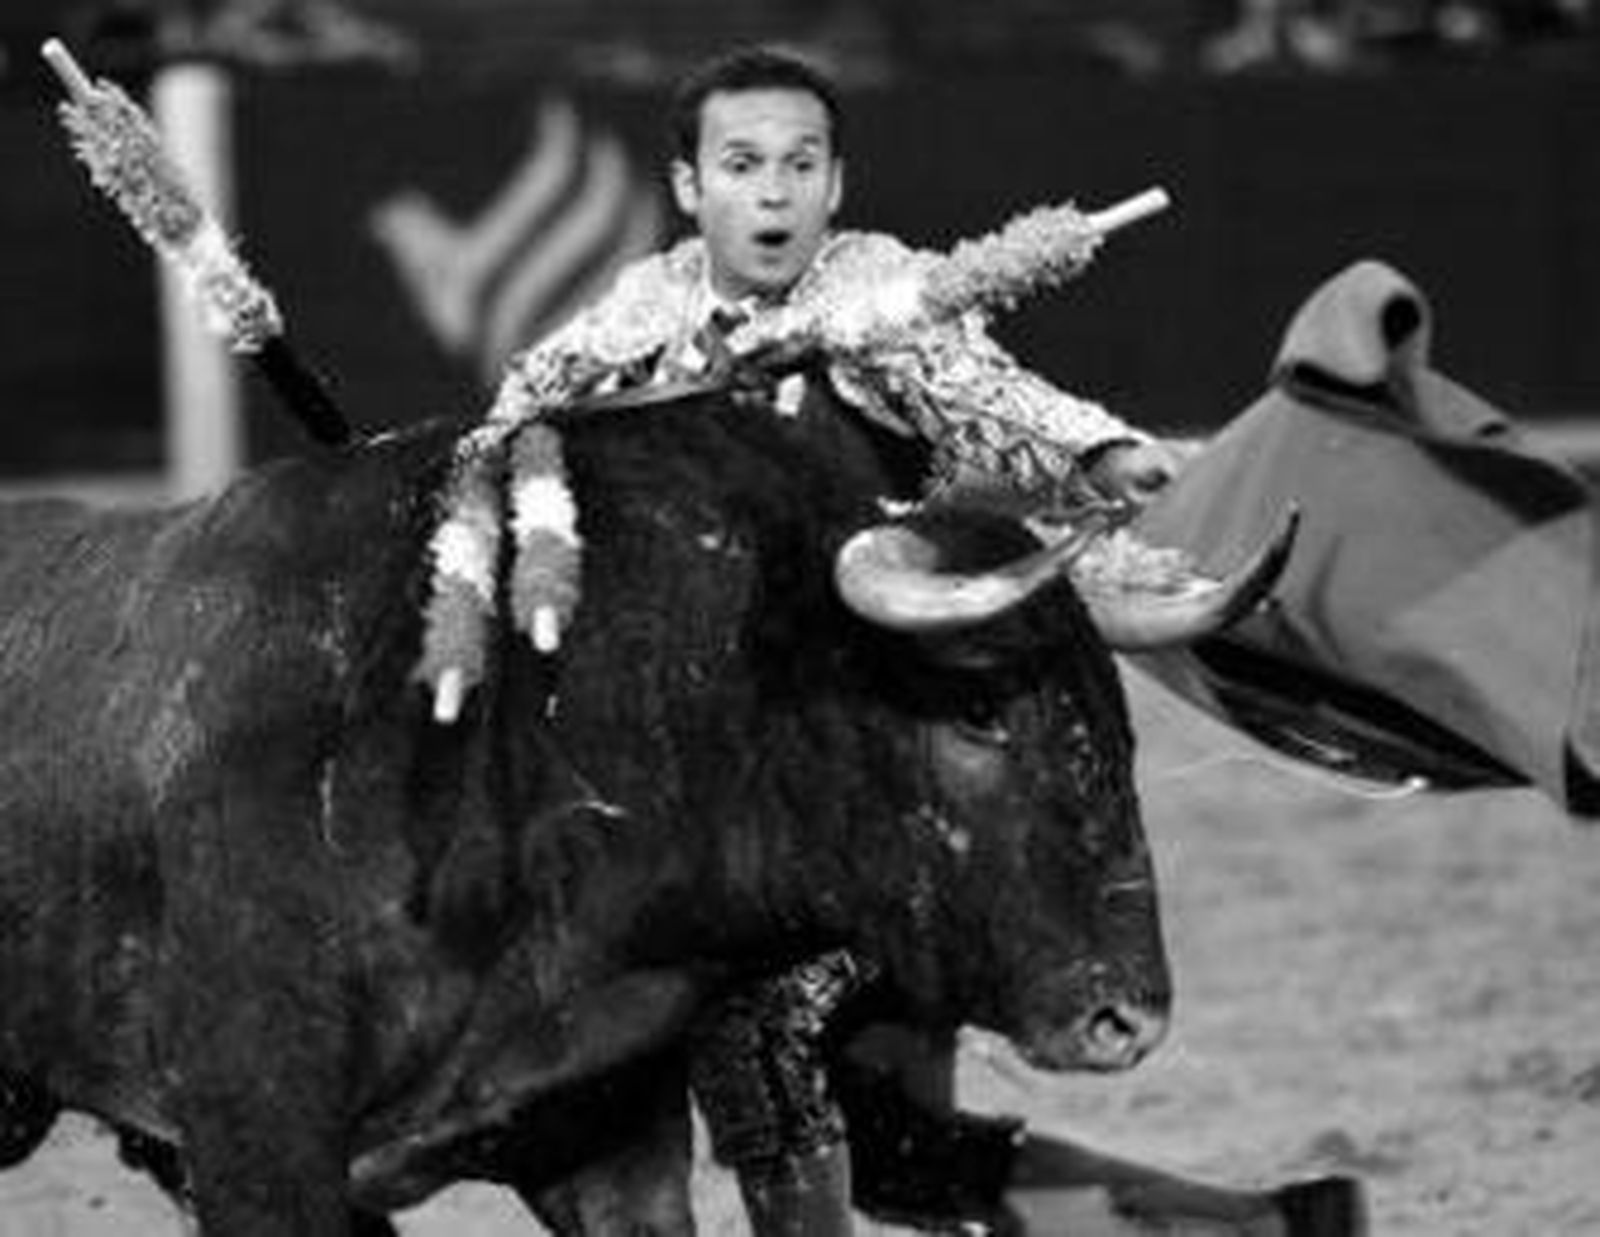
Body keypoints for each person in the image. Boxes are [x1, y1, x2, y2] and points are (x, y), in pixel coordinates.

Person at [467, 44, 1360, 1237]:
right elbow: (511, 429)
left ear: (836, 183)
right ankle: (1263, 1228)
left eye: (800, 165)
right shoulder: (638, 313)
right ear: (688, 187)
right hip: (721, 802)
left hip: (890, 790)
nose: (774, 191)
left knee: (769, 1045)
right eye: (743, 165)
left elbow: (973, 385)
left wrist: (1095, 451)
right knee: (898, 1155)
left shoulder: (878, 289)